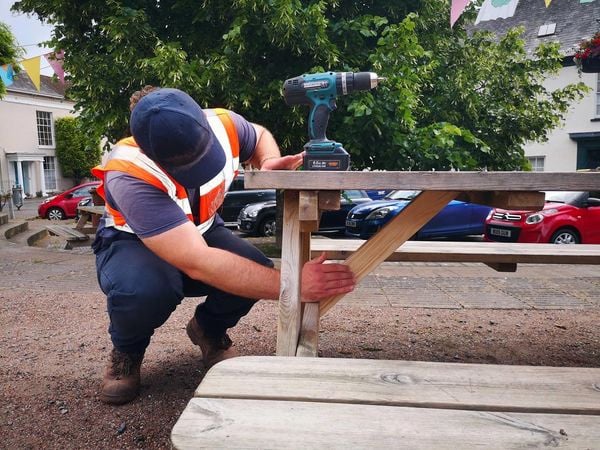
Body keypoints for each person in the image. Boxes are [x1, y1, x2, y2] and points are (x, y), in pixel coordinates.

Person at [91, 87, 356, 405]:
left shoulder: (223, 123)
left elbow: (257, 136)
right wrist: (293, 284)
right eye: (187, 167)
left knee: (254, 269)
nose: (200, 170)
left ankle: (207, 329)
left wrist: (268, 160)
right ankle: (127, 350)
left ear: (202, 122)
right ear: (148, 152)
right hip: (132, 241)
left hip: (200, 228)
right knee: (146, 290)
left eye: (206, 156)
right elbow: (198, 261)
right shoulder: (128, 172)